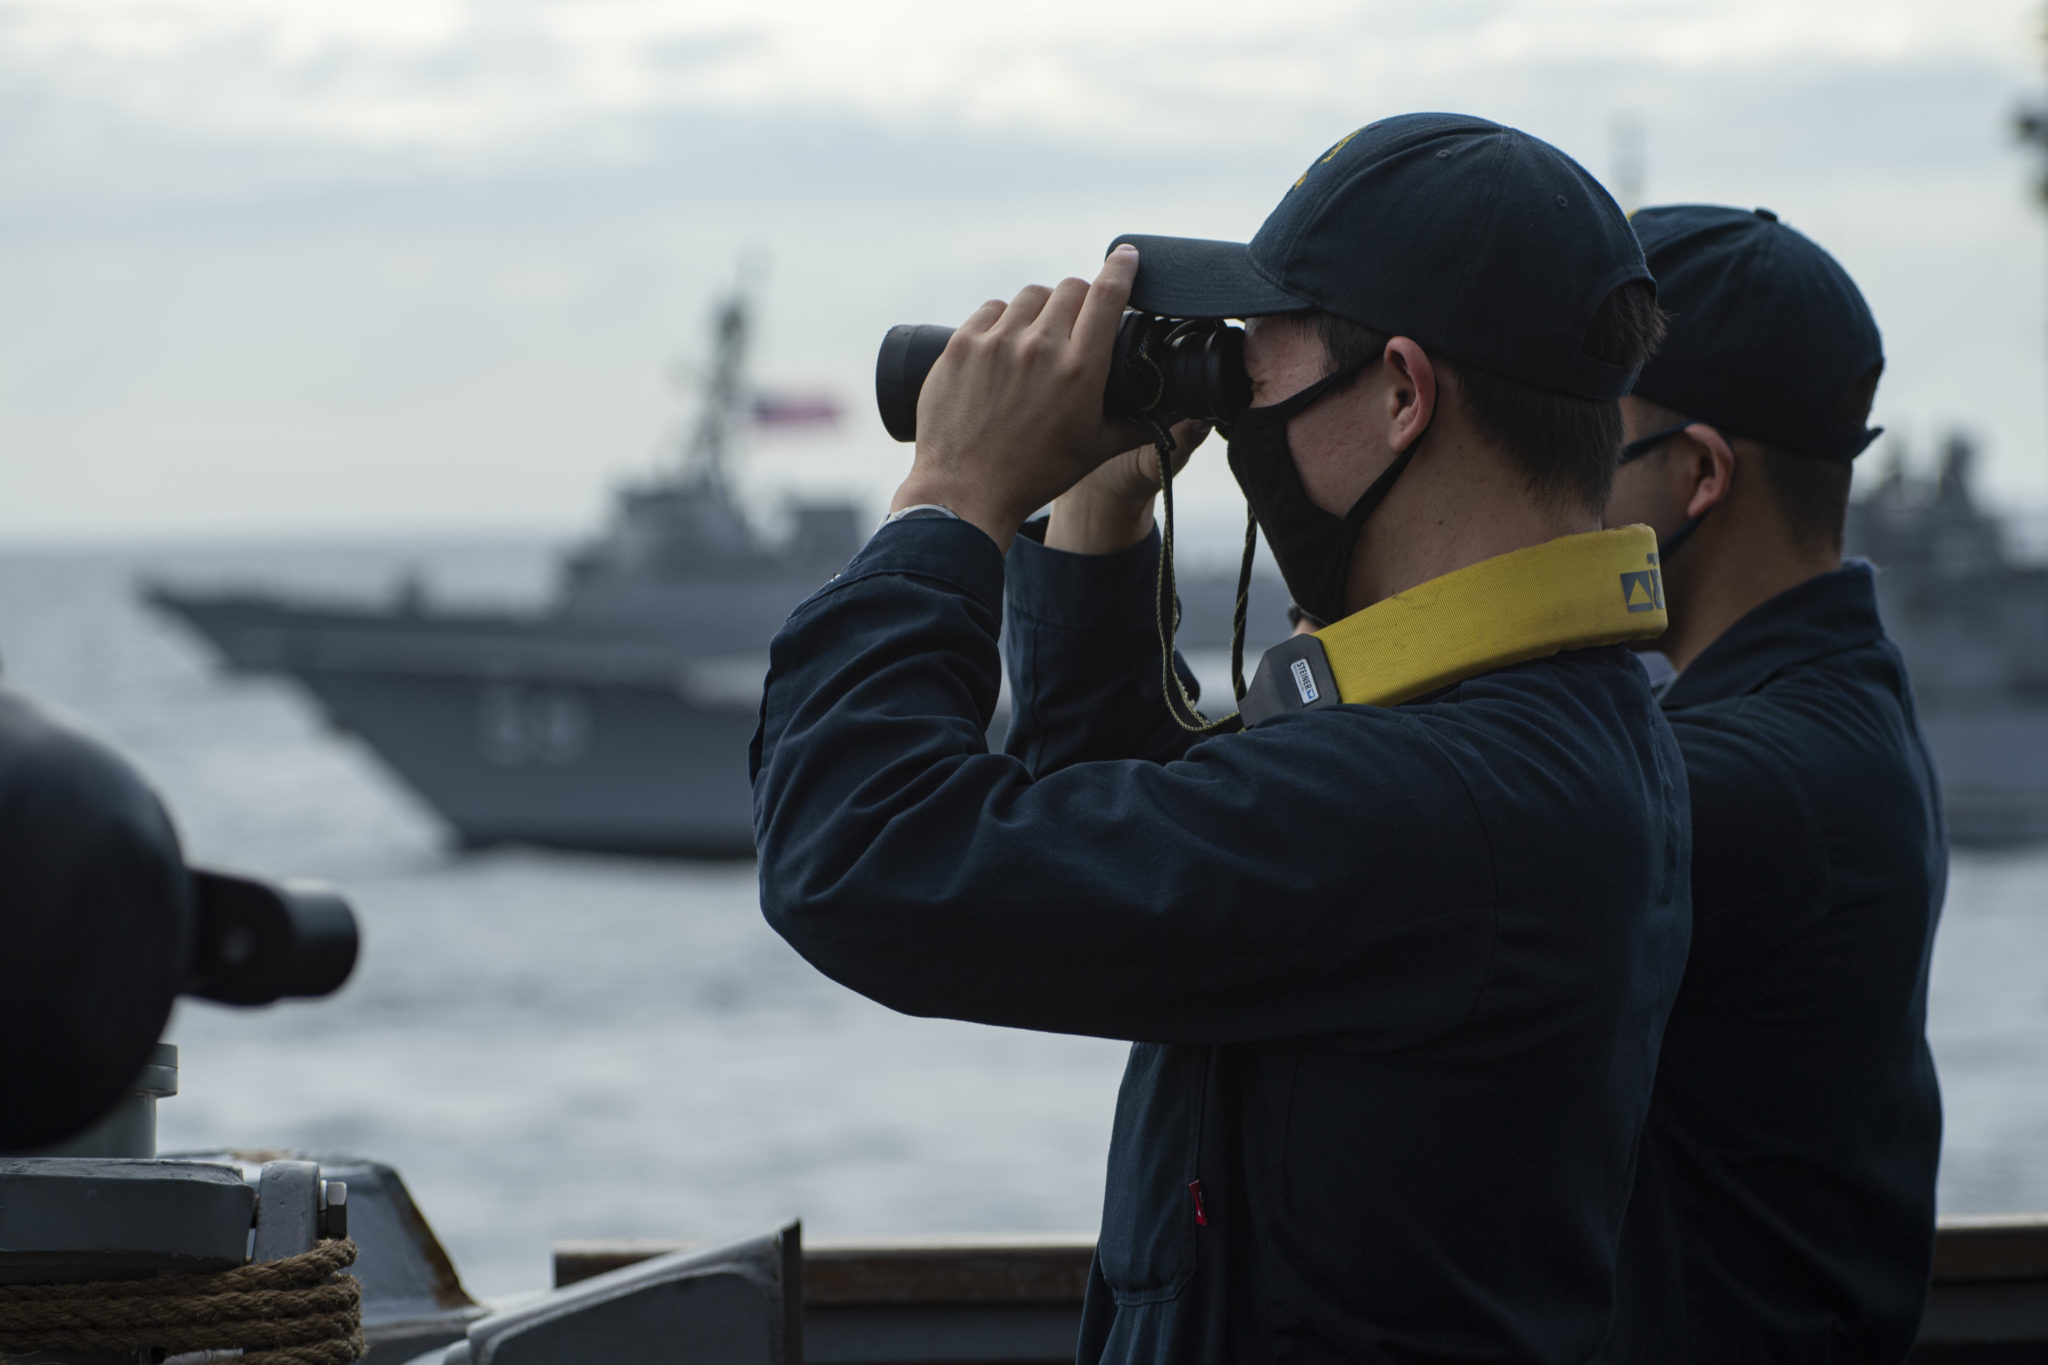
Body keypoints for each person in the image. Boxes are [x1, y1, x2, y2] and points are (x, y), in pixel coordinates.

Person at [752, 113, 1689, 1364]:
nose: (1240, 405)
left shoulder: (1443, 799)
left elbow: (859, 854)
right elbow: (1127, 864)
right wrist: (1093, 520)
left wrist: (952, 497)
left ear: (1402, 393)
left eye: (1262, 362)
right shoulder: (1542, 731)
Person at [1597, 206, 1947, 1362]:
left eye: (1581, 441)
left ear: (1698, 474)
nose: (1546, 487)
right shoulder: (1824, 717)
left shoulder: (1746, 780)